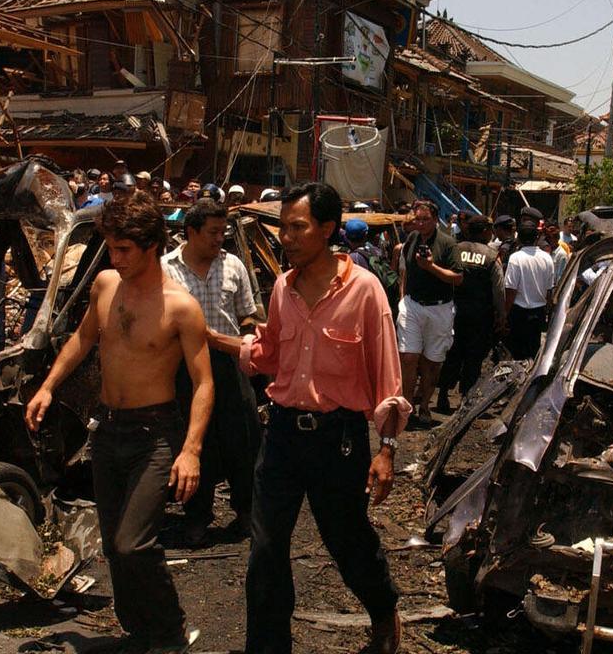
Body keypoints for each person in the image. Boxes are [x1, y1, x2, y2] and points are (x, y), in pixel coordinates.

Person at [205, 182, 410, 654]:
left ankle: (382, 608)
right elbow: (271, 355)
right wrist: (219, 340)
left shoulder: (365, 291)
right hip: (280, 435)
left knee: (347, 540)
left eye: (297, 227)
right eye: (283, 227)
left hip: (338, 440)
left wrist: (387, 451)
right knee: (266, 547)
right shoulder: (282, 286)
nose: (286, 237)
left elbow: (387, 377)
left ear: (327, 229)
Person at [24, 193, 212, 653]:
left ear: (151, 245)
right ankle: (138, 631)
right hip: (106, 430)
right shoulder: (106, 284)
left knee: (133, 544)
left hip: (155, 435)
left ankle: (169, 630)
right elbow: (84, 338)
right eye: (112, 248)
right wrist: (48, 386)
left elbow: (204, 383)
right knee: (113, 545)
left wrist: (191, 451)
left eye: (125, 249)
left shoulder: (181, 306)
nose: (116, 258)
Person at [163, 199, 261, 546]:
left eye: (224, 232)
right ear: (191, 232)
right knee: (193, 442)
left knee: (243, 440)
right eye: (213, 232)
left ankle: (247, 513)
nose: (220, 238)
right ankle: (197, 517)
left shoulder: (233, 265)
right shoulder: (166, 269)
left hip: (229, 365)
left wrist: (246, 340)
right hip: (185, 369)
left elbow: (249, 314)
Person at [396, 200, 462, 427]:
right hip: (412, 305)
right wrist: (403, 299)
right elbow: (404, 271)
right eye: (418, 219)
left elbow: (458, 277)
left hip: (439, 309)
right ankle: (406, 406)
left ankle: (424, 405)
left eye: (425, 219)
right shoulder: (412, 240)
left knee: (432, 362)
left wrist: (431, 267)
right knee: (408, 357)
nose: (421, 223)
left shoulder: (448, 244)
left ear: (435, 219)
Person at [436, 215, 504, 414]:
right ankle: (466, 396)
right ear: (484, 232)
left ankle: (442, 395)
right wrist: (501, 315)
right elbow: (498, 289)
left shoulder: (455, 249)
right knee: (473, 356)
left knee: (453, 353)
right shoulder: (491, 256)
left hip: (453, 311)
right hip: (480, 315)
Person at [504, 224, 555, 360]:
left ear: (519, 238)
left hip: (518, 313)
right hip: (538, 314)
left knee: (516, 354)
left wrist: (504, 314)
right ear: (537, 238)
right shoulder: (547, 258)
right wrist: (548, 312)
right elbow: (549, 290)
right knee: (533, 353)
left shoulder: (515, 258)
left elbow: (511, 290)